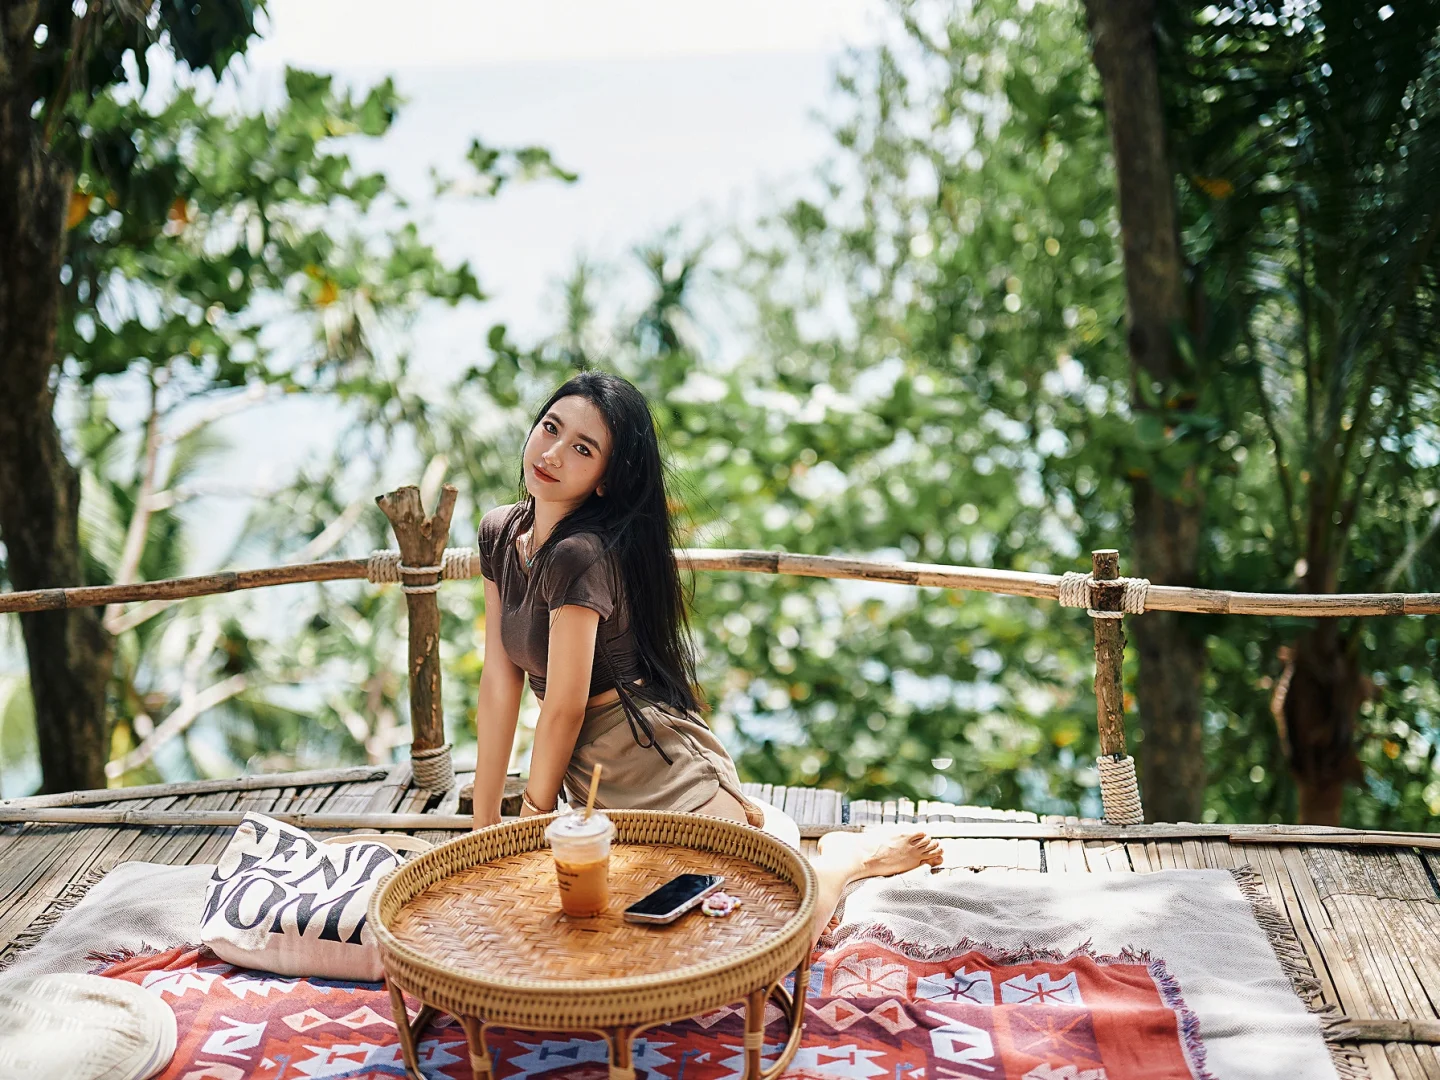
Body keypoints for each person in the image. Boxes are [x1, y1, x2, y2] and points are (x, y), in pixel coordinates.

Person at [470, 370, 941, 941]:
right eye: (550, 428)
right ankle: (771, 830)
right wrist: (484, 827)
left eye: (582, 448)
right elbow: (500, 682)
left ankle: (844, 860)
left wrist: (532, 823)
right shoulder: (499, 532)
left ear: (603, 481)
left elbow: (566, 707)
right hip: (586, 779)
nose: (553, 453)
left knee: (761, 936)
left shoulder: (579, 555)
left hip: (654, 766)